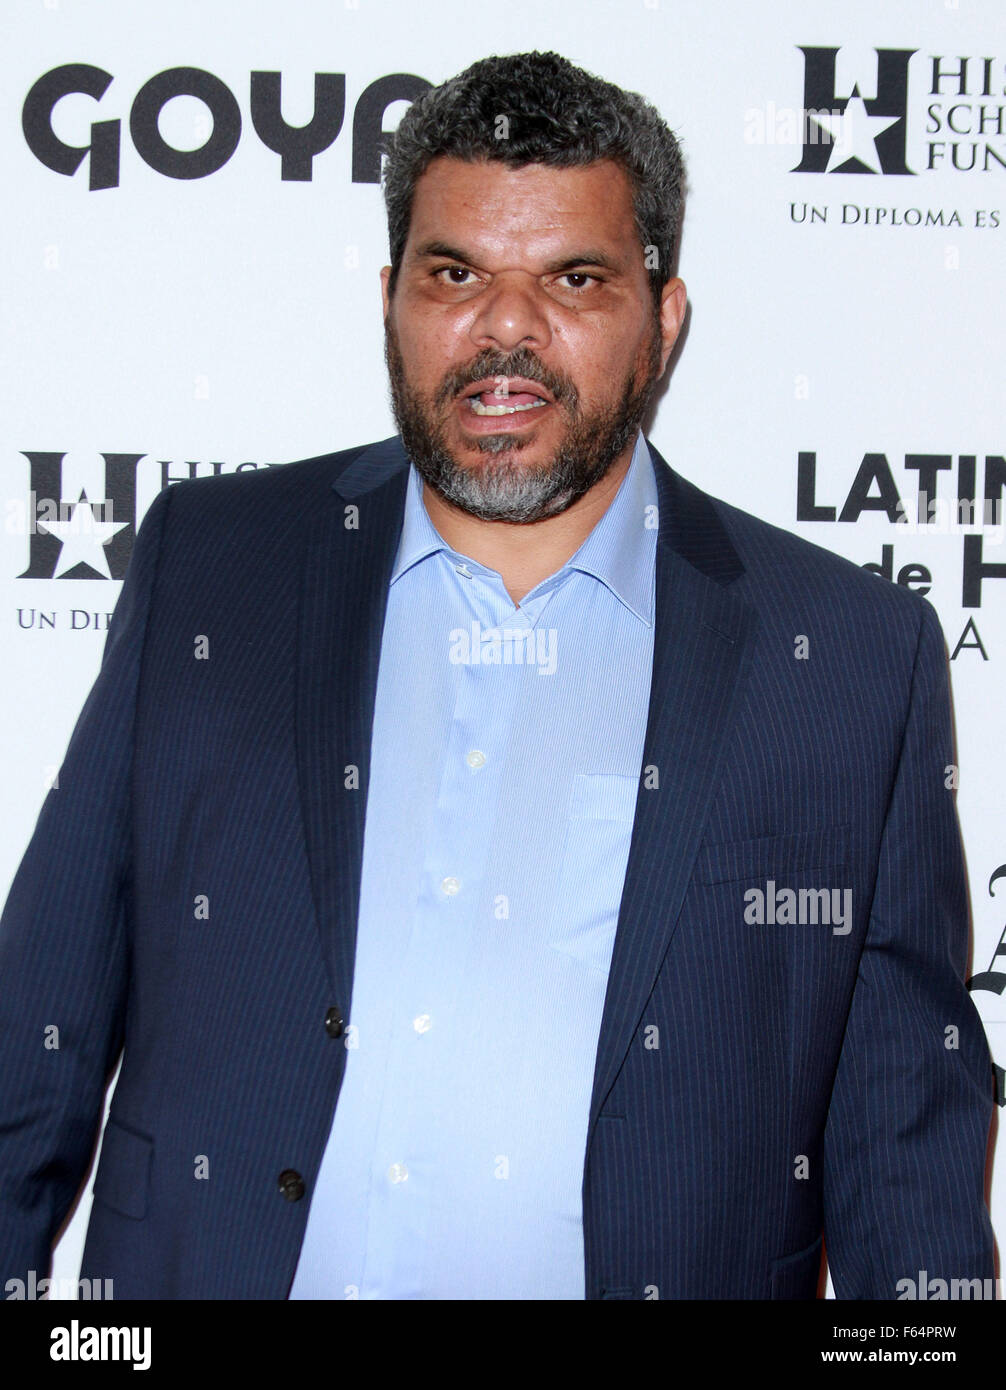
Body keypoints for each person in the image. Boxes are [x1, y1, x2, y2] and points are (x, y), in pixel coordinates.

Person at [0, 50, 995, 1301]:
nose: (505, 331)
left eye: (573, 279)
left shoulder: (845, 655)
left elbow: (903, 1151)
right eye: (455, 274)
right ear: (391, 299)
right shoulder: (212, 571)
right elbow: (36, 1031)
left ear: (663, 317)